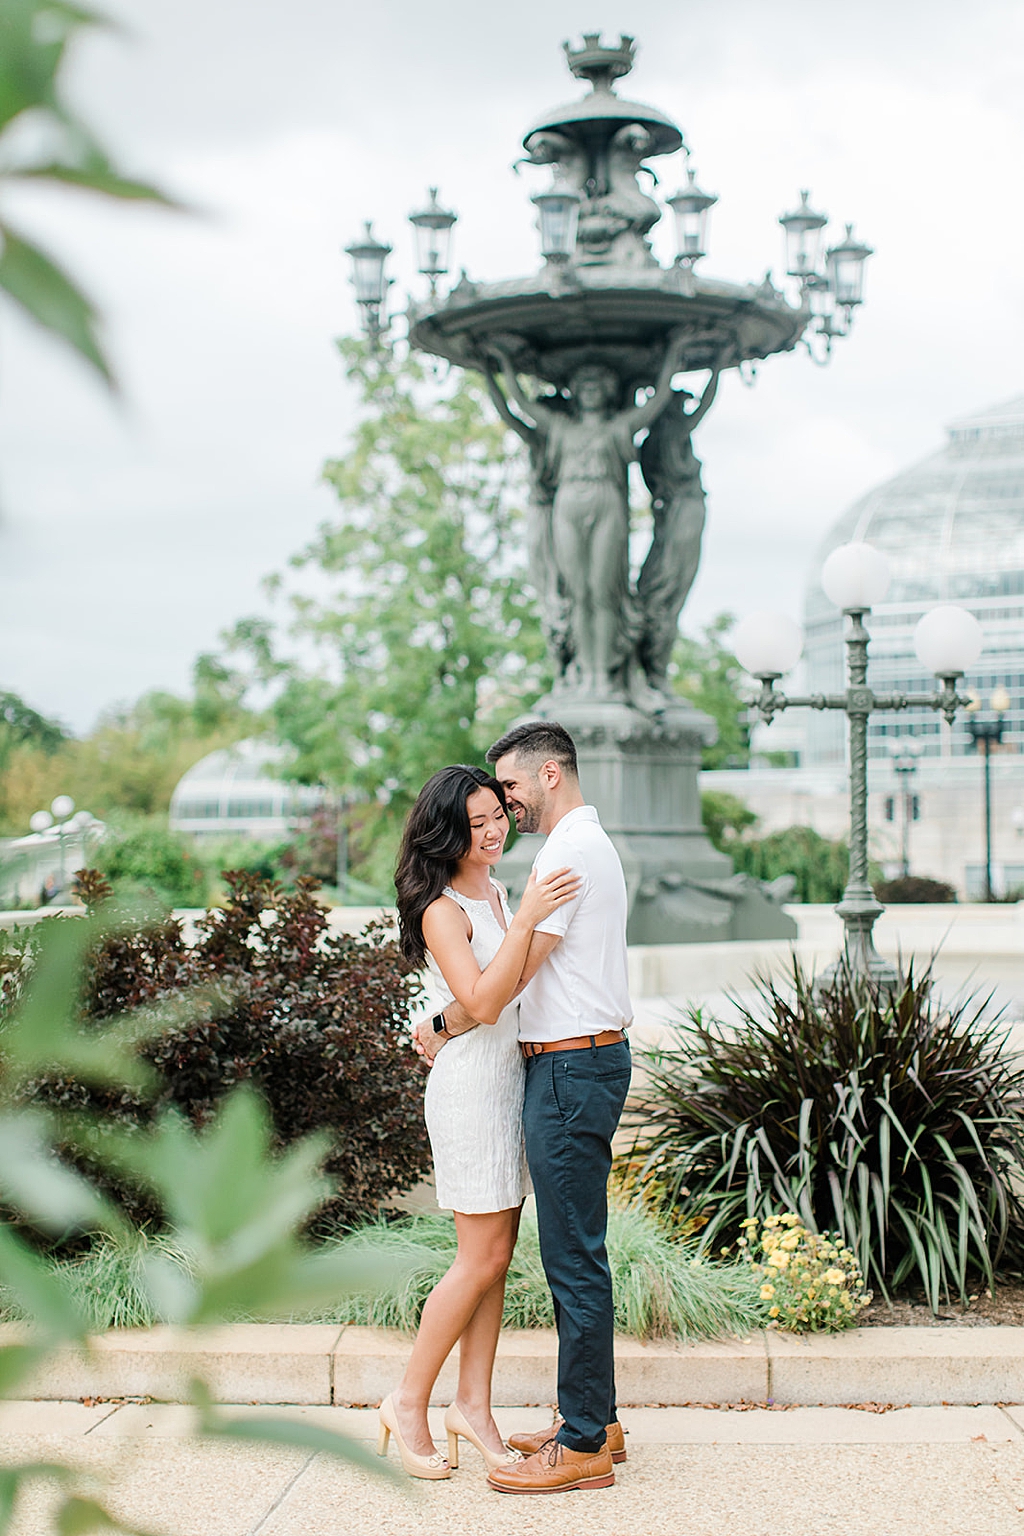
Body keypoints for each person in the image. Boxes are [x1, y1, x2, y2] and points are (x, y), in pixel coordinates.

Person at [417, 721, 632, 1495]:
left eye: (507, 790)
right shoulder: (579, 846)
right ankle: (596, 1421)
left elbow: (499, 987)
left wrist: (439, 1023)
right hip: (568, 1064)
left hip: (571, 1067)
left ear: (547, 775)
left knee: (572, 1257)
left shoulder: (562, 857)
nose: (504, 806)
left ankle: (581, 1446)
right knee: (571, 1251)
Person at [379, 764, 580, 1481]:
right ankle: (407, 1400)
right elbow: (486, 1001)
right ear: (446, 831)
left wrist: (438, 1019)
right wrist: (527, 920)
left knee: (495, 1263)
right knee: (479, 1260)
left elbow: (508, 987)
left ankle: (473, 1406)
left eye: (498, 814)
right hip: (470, 1091)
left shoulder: (491, 891)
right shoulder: (443, 909)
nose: (493, 829)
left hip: (509, 1081)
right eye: (477, 821)